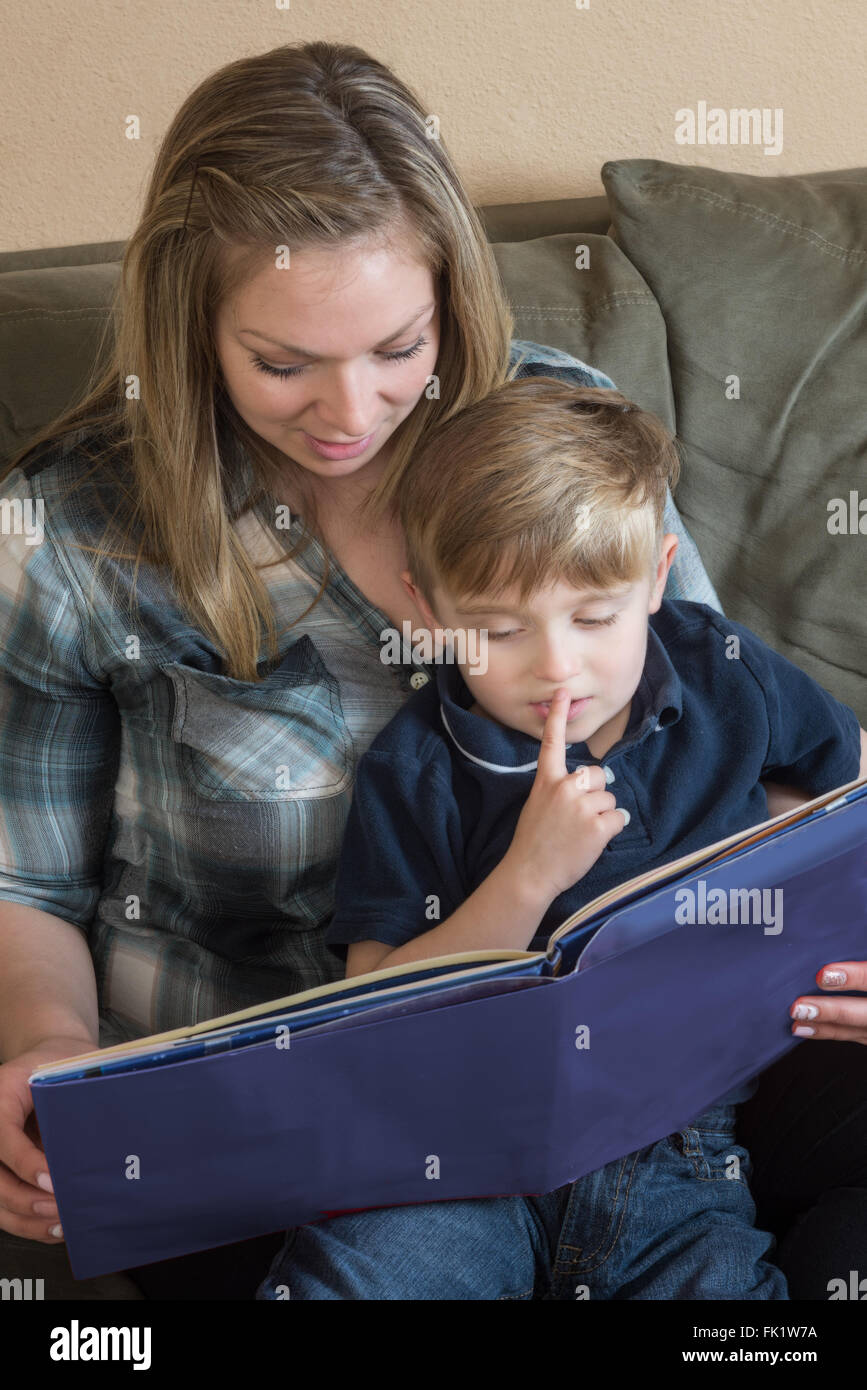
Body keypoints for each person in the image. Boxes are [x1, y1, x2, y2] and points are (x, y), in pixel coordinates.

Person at [0, 41, 865, 1303]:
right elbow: (28, 881)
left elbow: (713, 722)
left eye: (400, 346)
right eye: (283, 364)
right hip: (297, 1093)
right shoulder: (70, 537)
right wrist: (44, 1046)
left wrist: (822, 917)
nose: (352, 412)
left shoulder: (544, 432)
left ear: (452, 299)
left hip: (646, 1078)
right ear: (189, 329)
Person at [256, 378, 864, 1300]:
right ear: (426, 614)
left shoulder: (719, 668)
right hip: (458, 1151)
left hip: (679, 1154)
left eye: (594, 618)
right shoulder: (416, 767)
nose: (556, 667)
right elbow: (372, 1009)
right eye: (496, 630)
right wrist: (527, 877)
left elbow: (851, 784)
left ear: (657, 578)